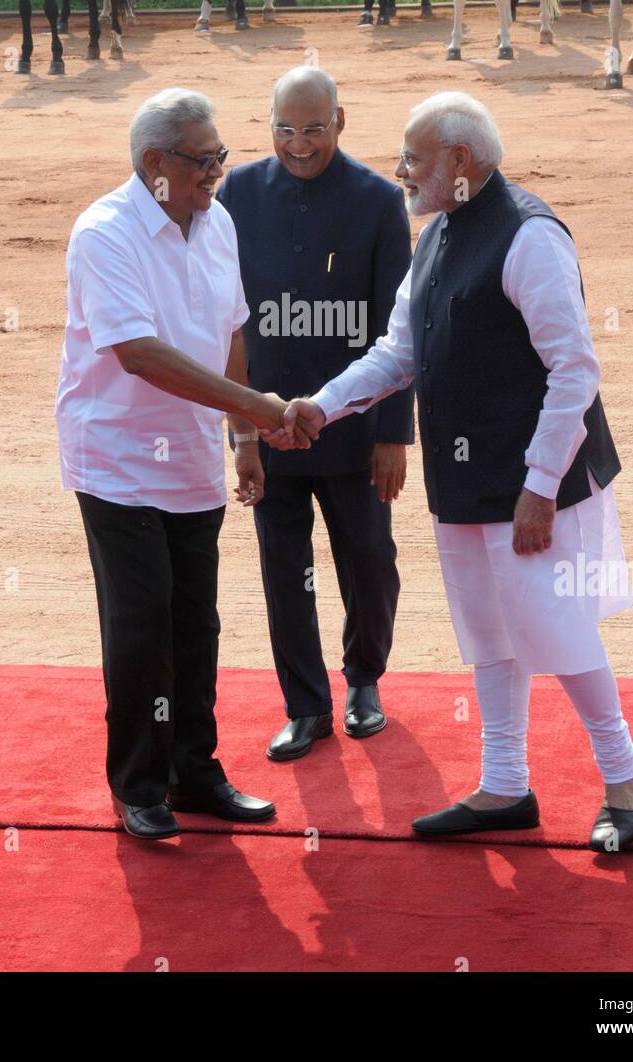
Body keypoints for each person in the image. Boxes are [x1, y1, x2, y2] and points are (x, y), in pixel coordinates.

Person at [273, 93, 633, 854]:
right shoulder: (439, 232)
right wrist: (321, 406)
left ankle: (625, 778)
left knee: (556, 628)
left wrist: (541, 486)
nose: (400, 172)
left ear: (459, 161)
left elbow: (574, 371)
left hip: (533, 487)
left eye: (412, 158)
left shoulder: (530, 236)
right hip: (466, 482)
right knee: (491, 635)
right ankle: (505, 784)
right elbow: (398, 352)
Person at [55, 89, 314, 839]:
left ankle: (194, 773)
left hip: (194, 460)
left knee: (196, 625)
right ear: (154, 164)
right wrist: (264, 408)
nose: (218, 174)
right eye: (204, 162)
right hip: (118, 460)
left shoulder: (217, 222)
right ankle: (140, 785)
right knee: (141, 626)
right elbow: (139, 355)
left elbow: (231, 329)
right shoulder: (104, 233)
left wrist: (244, 438)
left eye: (222, 159)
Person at [216, 67, 414, 761]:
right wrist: (242, 434)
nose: (298, 145)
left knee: (368, 561)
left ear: (341, 120)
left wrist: (395, 437)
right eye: (284, 130)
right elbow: (227, 323)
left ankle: (364, 679)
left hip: (356, 427)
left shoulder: (379, 201)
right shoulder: (235, 194)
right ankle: (305, 707)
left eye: (314, 130)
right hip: (270, 428)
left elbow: (401, 331)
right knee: (284, 572)